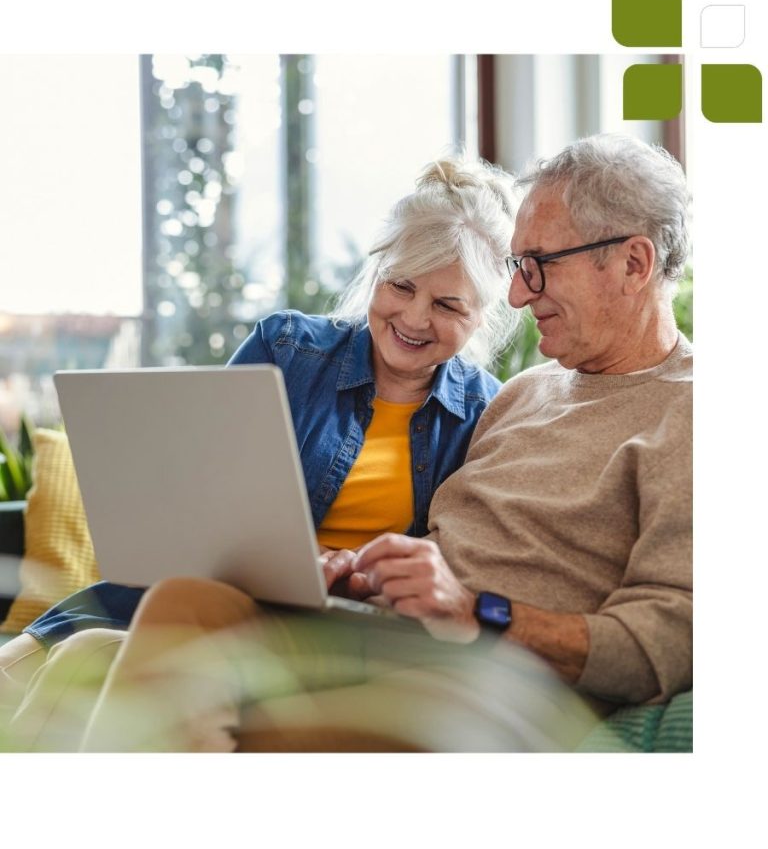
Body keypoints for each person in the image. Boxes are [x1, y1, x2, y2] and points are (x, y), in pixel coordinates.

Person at [6, 132, 693, 752]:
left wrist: (477, 610)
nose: (517, 295)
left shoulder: (692, 413)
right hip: (382, 633)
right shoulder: (526, 394)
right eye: (518, 265)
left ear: (634, 263)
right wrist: (370, 571)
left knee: (145, 688)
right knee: (179, 606)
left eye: (538, 264)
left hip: (489, 681)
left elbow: (660, 641)